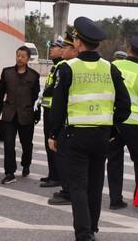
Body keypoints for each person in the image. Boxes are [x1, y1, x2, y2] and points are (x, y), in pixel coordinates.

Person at [49, 17, 130, 241]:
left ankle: (84, 234)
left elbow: (58, 106)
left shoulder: (68, 68)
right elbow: (124, 105)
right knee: (95, 185)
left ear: (78, 42)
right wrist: (112, 129)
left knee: (77, 186)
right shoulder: (110, 68)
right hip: (102, 135)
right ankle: (92, 228)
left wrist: (53, 134)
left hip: (76, 135)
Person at [107, 35, 138, 212]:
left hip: (113, 122)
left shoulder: (114, 65)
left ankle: (115, 199)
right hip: (134, 123)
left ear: (129, 49)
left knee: (114, 160)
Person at [0, 46, 41, 185]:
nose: (19, 58)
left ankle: (26, 164)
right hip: (9, 115)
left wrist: (37, 115)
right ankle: (10, 173)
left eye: (23, 56)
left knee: (27, 144)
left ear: (28, 59)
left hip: (26, 115)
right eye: (18, 55)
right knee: (8, 144)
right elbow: (0, 94)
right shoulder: (7, 73)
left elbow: (37, 98)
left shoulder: (34, 76)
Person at [48, 31, 79, 205]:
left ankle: (69, 191)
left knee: (66, 157)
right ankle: (69, 189)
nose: (62, 50)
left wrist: (54, 132)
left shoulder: (68, 68)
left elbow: (60, 101)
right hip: (85, 124)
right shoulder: (104, 67)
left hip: (70, 122)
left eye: (66, 47)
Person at [40, 39, 64, 188]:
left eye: (54, 47)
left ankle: (56, 177)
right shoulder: (55, 66)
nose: (51, 49)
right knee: (48, 143)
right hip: (49, 109)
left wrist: (45, 92)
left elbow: (54, 88)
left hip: (54, 111)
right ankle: (52, 174)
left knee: (53, 143)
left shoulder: (62, 66)